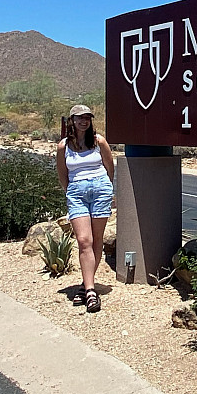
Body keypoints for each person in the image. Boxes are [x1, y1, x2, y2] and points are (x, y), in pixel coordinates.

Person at [56, 104, 114, 313]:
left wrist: (106, 188)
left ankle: (87, 286)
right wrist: (70, 191)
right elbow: (62, 173)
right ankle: (90, 289)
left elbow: (110, 167)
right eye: (80, 118)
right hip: (77, 193)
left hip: (100, 189)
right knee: (84, 240)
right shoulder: (63, 146)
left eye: (87, 118)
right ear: (71, 120)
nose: (84, 121)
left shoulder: (99, 141)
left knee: (96, 240)